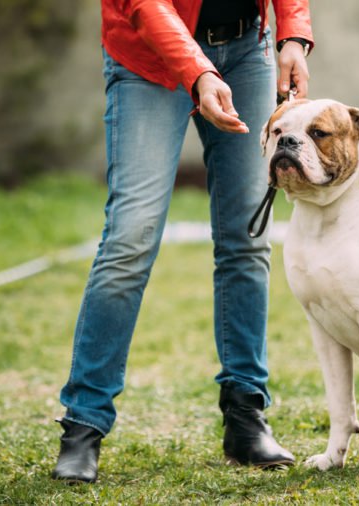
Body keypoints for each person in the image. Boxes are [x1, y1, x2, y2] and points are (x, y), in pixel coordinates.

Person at [51, 0, 313, 483]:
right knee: (131, 238)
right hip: (149, 60)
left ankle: (245, 414)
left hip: (244, 49)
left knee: (247, 239)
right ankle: (84, 423)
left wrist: (292, 34)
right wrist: (198, 72)